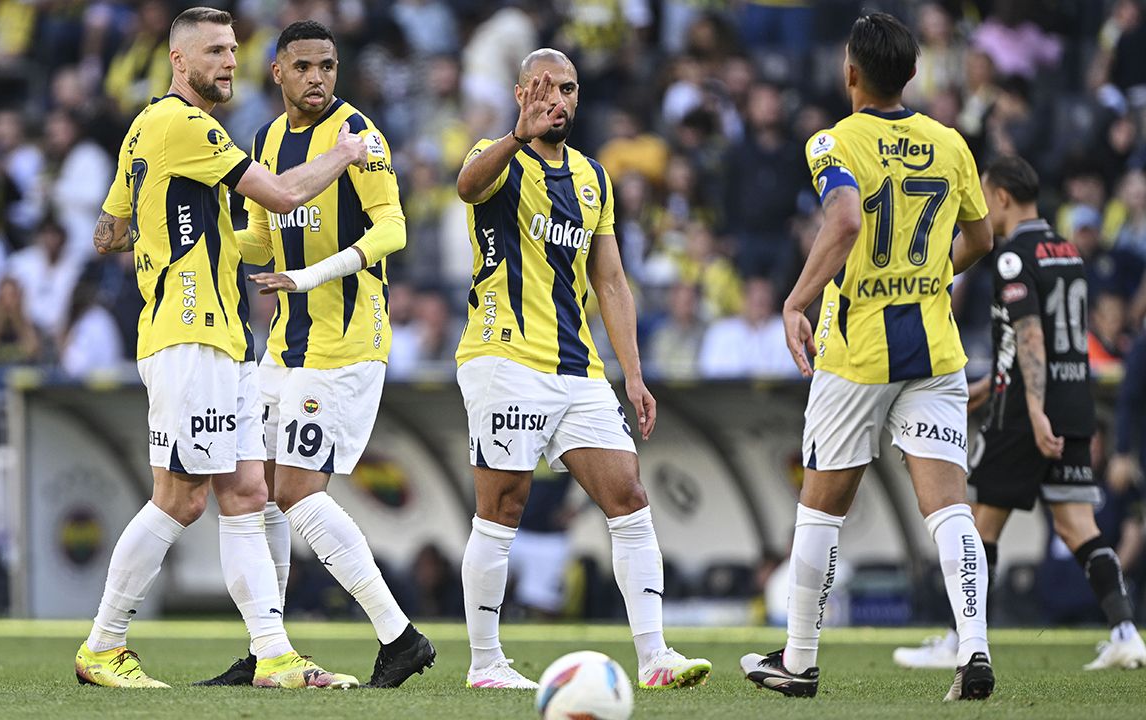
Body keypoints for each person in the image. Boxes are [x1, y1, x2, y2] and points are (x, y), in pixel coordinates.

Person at [74, 6, 369, 690]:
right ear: (179, 61)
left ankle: (273, 655)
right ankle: (103, 645)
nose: (230, 62)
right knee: (179, 499)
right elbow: (284, 196)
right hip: (190, 334)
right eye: (214, 51)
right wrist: (344, 153)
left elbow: (107, 234)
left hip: (223, 337)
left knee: (245, 492)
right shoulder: (187, 124)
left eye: (233, 50)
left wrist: (168, 227)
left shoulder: (142, 128)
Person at [739, 13, 996, 701]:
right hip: (935, 351)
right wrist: (933, 274)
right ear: (911, 74)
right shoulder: (950, 143)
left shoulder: (833, 141)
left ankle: (799, 661)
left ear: (850, 71)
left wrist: (796, 301)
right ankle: (974, 649)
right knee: (949, 509)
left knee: (822, 511)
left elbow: (847, 220)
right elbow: (981, 237)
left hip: (856, 353)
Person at [453, 48, 712, 691]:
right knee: (503, 506)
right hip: (505, 356)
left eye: (567, 89)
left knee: (629, 497)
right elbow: (466, 187)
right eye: (544, 89)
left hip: (578, 368)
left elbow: (613, 281)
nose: (557, 100)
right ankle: (485, 663)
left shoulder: (594, 177)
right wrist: (517, 134)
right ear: (521, 93)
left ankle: (655, 657)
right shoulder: (497, 156)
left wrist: (634, 374)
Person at [194, 20, 434, 690]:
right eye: (303, 67)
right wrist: (200, 235)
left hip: (347, 346)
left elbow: (393, 227)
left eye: (327, 66)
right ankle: (267, 647)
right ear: (277, 72)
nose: (317, 78)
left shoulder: (359, 135)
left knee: (296, 491)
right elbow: (263, 240)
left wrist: (311, 276)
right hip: (286, 348)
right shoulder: (267, 139)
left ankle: (400, 637)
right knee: (259, 492)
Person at [892, 156, 1146, 671]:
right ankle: (1126, 633)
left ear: (1002, 197)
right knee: (1078, 526)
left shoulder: (1012, 257)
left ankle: (958, 641)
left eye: (985, 196)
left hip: (1026, 414)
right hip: (1073, 404)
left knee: (977, 526)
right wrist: (991, 385)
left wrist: (1029, 408)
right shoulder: (1067, 250)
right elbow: (1046, 340)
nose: (983, 207)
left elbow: (1029, 334)